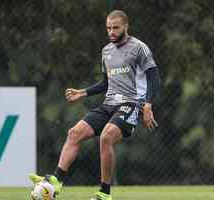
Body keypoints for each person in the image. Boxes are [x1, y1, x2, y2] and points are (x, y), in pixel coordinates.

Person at [29, 10, 161, 200]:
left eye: (116, 28)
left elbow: (154, 78)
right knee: (74, 133)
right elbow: (107, 83)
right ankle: (56, 181)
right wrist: (82, 92)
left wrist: (148, 105)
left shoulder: (139, 48)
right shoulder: (106, 51)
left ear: (126, 26)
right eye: (108, 28)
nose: (112, 32)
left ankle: (104, 193)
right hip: (109, 104)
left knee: (106, 137)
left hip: (131, 104)